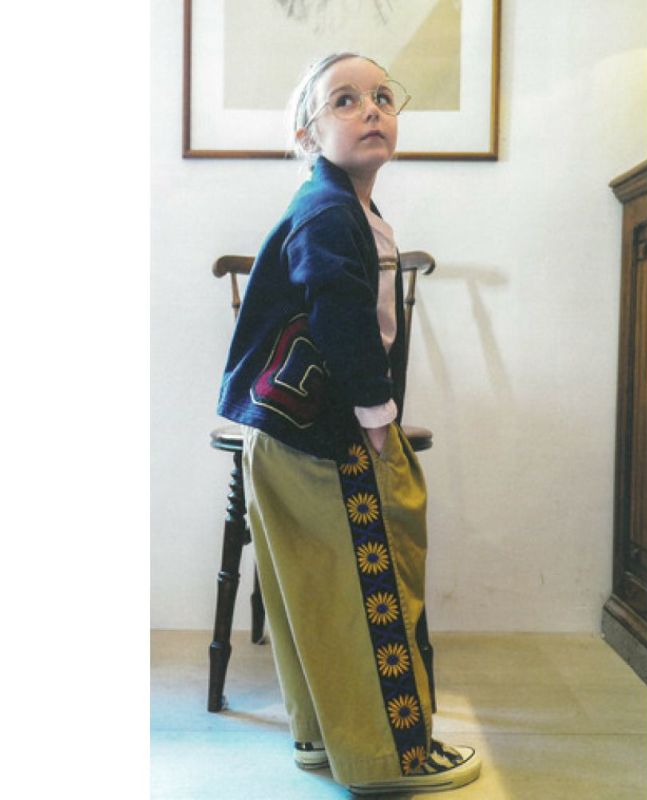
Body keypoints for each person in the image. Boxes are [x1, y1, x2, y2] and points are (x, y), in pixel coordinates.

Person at [216, 52, 481, 795]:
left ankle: (320, 737)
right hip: (322, 436)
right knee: (372, 587)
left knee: (314, 591)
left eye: (382, 97)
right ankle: (389, 757)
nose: (370, 109)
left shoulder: (340, 206)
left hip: (281, 431)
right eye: (344, 100)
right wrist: (376, 416)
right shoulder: (329, 210)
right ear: (307, 134)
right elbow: (338, 309)